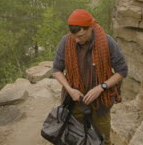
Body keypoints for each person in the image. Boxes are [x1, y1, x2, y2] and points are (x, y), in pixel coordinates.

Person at [53, 9, 128, 144]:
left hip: (101, 102)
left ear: (90, 28)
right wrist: (70, 90)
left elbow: (122, 71)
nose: (76, 40)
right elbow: (57, 69)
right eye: (74, 36)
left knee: (103, 139)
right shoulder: (66, 41)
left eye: (81, 36)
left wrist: (101, 87)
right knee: (75, 137)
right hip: (75, 101)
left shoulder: (107, 42)